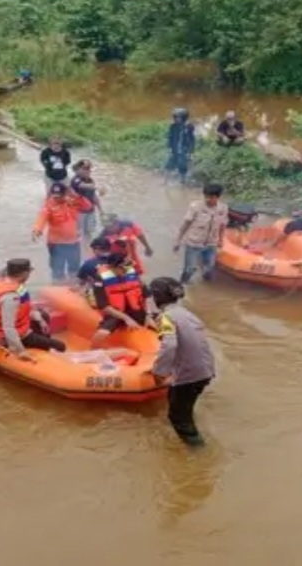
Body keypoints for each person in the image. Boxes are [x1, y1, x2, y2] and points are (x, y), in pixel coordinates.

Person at [150, 277, 216, 447]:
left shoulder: (166, 318)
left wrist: (159, 371)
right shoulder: (185, 313)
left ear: (157, 297)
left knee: (178, 418)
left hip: (189, 375)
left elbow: (169, 345)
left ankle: (198, 454)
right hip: (205, 369)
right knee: (177, 399)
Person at [0, 258, 67, 360]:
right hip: (11, 335)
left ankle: (43, 346)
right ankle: (45, 353)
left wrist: (40, 320)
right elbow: (8, 328)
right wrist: (21, 351)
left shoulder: (14, 285)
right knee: (61, 346)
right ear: (24, 274)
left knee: (43, 315)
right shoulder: (11, 297)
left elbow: (27, 307)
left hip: (21, 326)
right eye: (29, 272)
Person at [90, 252, 156, 347]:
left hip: (136, 310)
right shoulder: (101, 279)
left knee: (160, 323)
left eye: (127, 267)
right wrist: (126, 319)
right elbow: (104, 307)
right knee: (102, 334)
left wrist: (148, 315)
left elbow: (147, 296)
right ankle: (94, 352)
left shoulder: (132, 274)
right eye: (123, 268)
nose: (126, 270)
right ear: (112, 267)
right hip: (115, 312)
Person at [32, 182, 93, 283]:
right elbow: (41, 218)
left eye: (59, 196)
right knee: (57, 270)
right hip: (56, 243)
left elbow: (88, 207)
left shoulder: (73, 201)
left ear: (65, 194)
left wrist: (76, 195)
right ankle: (58, 288)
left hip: (74, 242)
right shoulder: (48, 205)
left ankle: (73, 287)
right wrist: (37, 230)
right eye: (54, 196)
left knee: (74, 269)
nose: (56, 198)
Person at [174, 183, 228, 283]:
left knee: (209, 268)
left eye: (211, 197)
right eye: (206, 196)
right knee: (189, 269)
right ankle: (182, 285)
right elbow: (186, 224)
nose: (208, 199)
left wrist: (221, 240)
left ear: (218, 197)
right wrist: (178, 240)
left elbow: (222, 225)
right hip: (194, 243)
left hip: (211, 243)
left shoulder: (223, 209)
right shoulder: (195, 206)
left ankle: (205, 289)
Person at [69, 159, 102, 241]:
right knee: (79, 233)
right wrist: (97, 187)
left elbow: (93, 195)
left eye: (88, 168)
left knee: (90, 232)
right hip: (79, 212)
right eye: (84, 168)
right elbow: (82, 186)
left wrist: (100, 209)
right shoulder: (75, 180)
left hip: (91, 211)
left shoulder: (90, 180)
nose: (87, 171)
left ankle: (87, 249)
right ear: (78, 169)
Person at [165, 108, 196, 184]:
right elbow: (170, 137)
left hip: (184, 149)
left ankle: (183, 181)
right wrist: (169, 148)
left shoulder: (189, 126)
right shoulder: (173, 126)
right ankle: (165, 181)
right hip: (174, 148)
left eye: (178, 117)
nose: (176, 119)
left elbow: (192, 140)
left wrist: (190, 152)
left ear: (184, 117)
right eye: (175, 117)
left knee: (182, 165)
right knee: (169, 165)